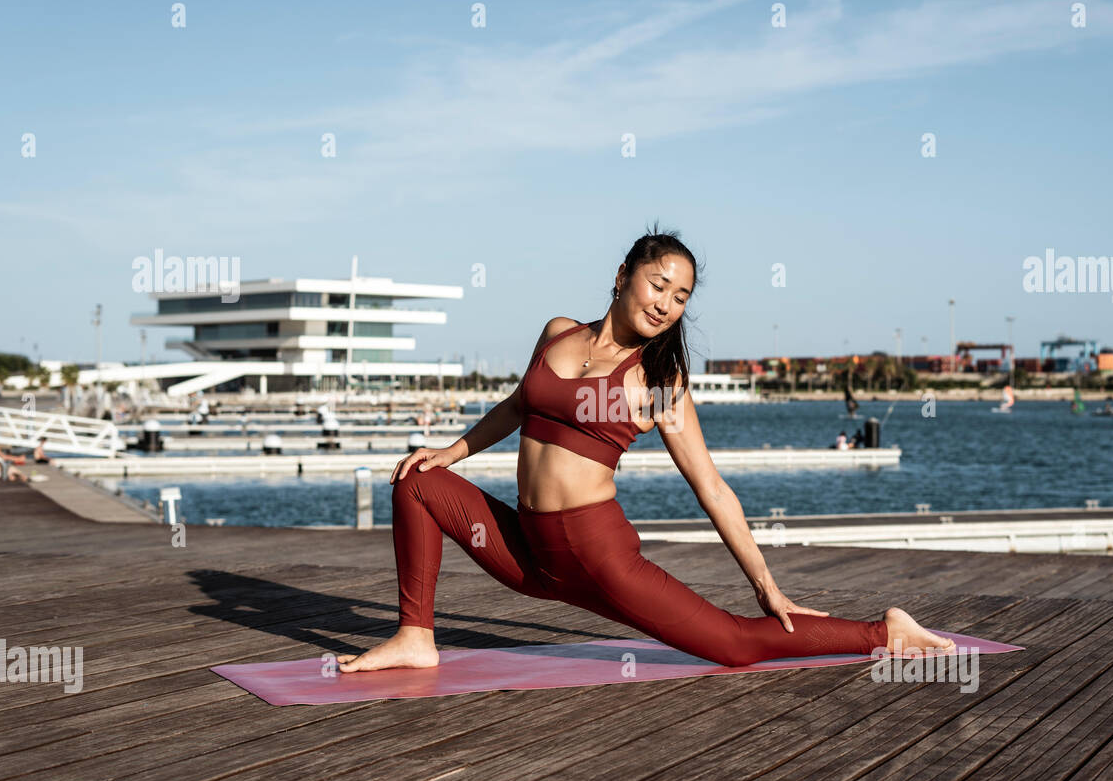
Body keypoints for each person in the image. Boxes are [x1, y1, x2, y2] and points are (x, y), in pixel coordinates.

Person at [339, 227, 952, 674]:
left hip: (598, 556)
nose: (666, 303)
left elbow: (711, 487)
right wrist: (452, 451)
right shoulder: (557, 332)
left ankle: (882, 630)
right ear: (622, 277)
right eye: (659, 285)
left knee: (738, 646)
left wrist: (765, 585)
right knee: (415, 479)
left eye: (681, 297)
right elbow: (519, 406)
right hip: (529, 553)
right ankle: (416, 636)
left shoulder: (658, 383)